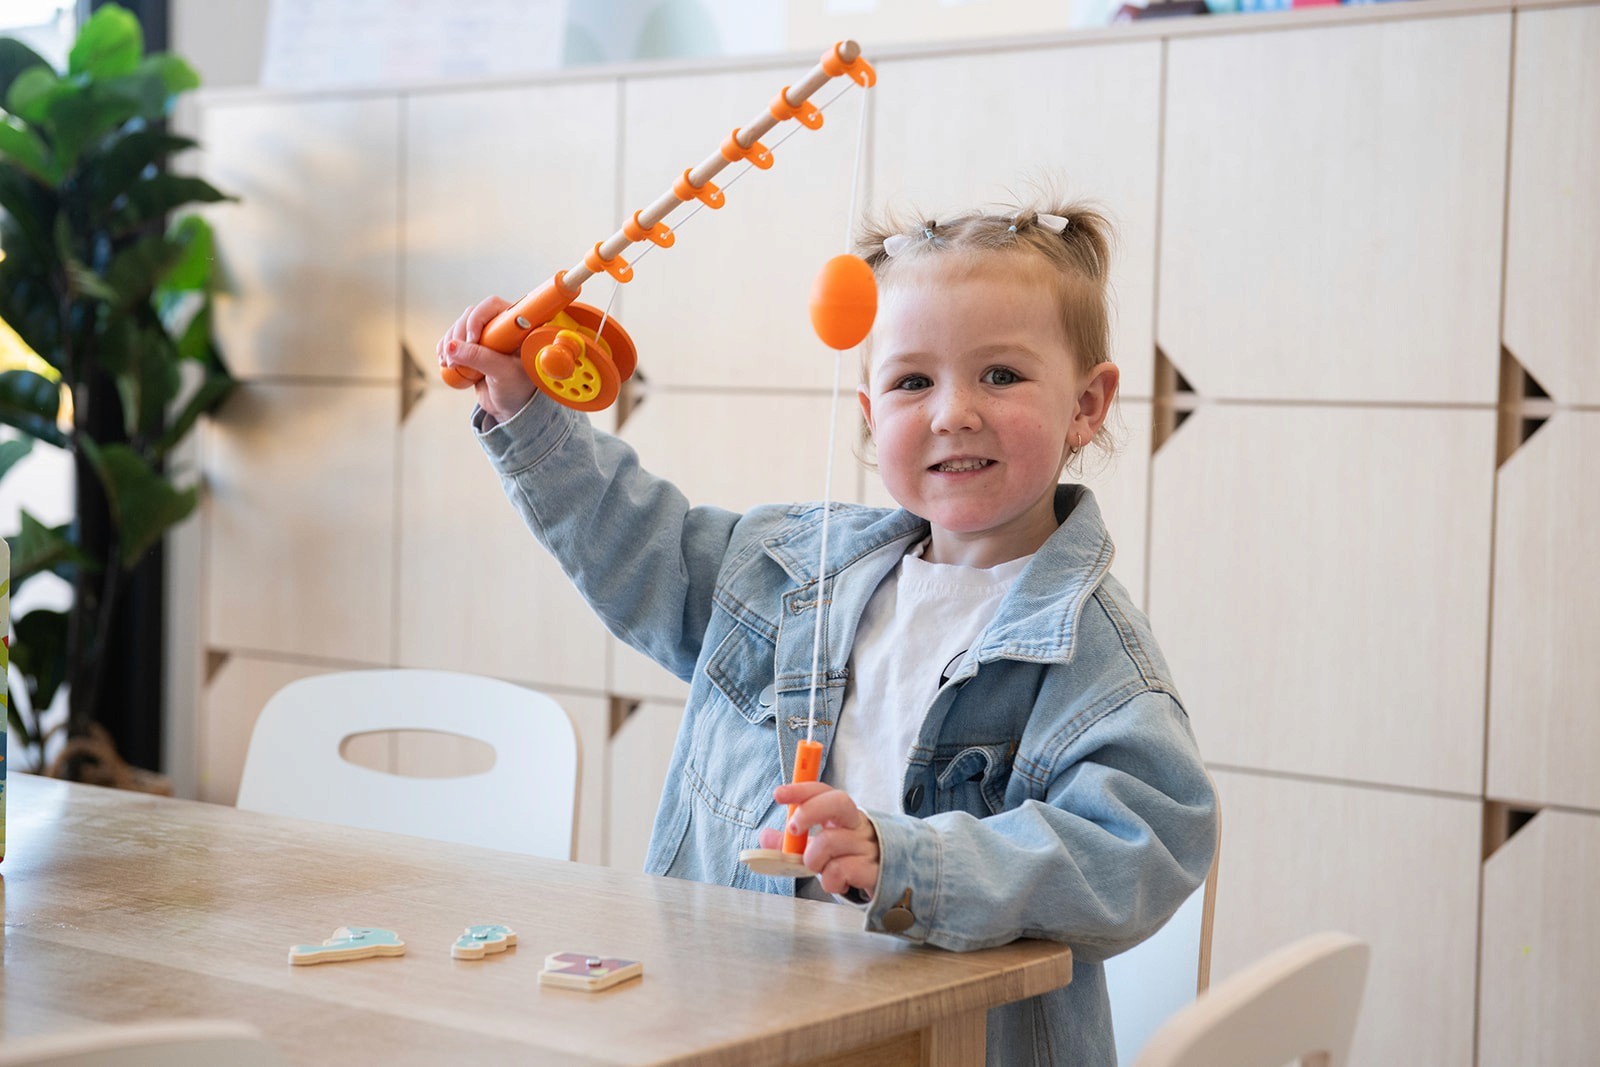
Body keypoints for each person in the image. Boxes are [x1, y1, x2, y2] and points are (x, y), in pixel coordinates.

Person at [438, 200, 1217, 1065]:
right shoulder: (784, 572)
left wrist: (906, 856)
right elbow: (638, 547)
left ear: (1088, 404)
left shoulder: (1095, 652)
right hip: (738, 1026)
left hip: (946, 1046)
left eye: (1000, 374)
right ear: (869, 412)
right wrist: (526, 413)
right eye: (912, 382)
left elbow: (1141, 843)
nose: (953, 411)